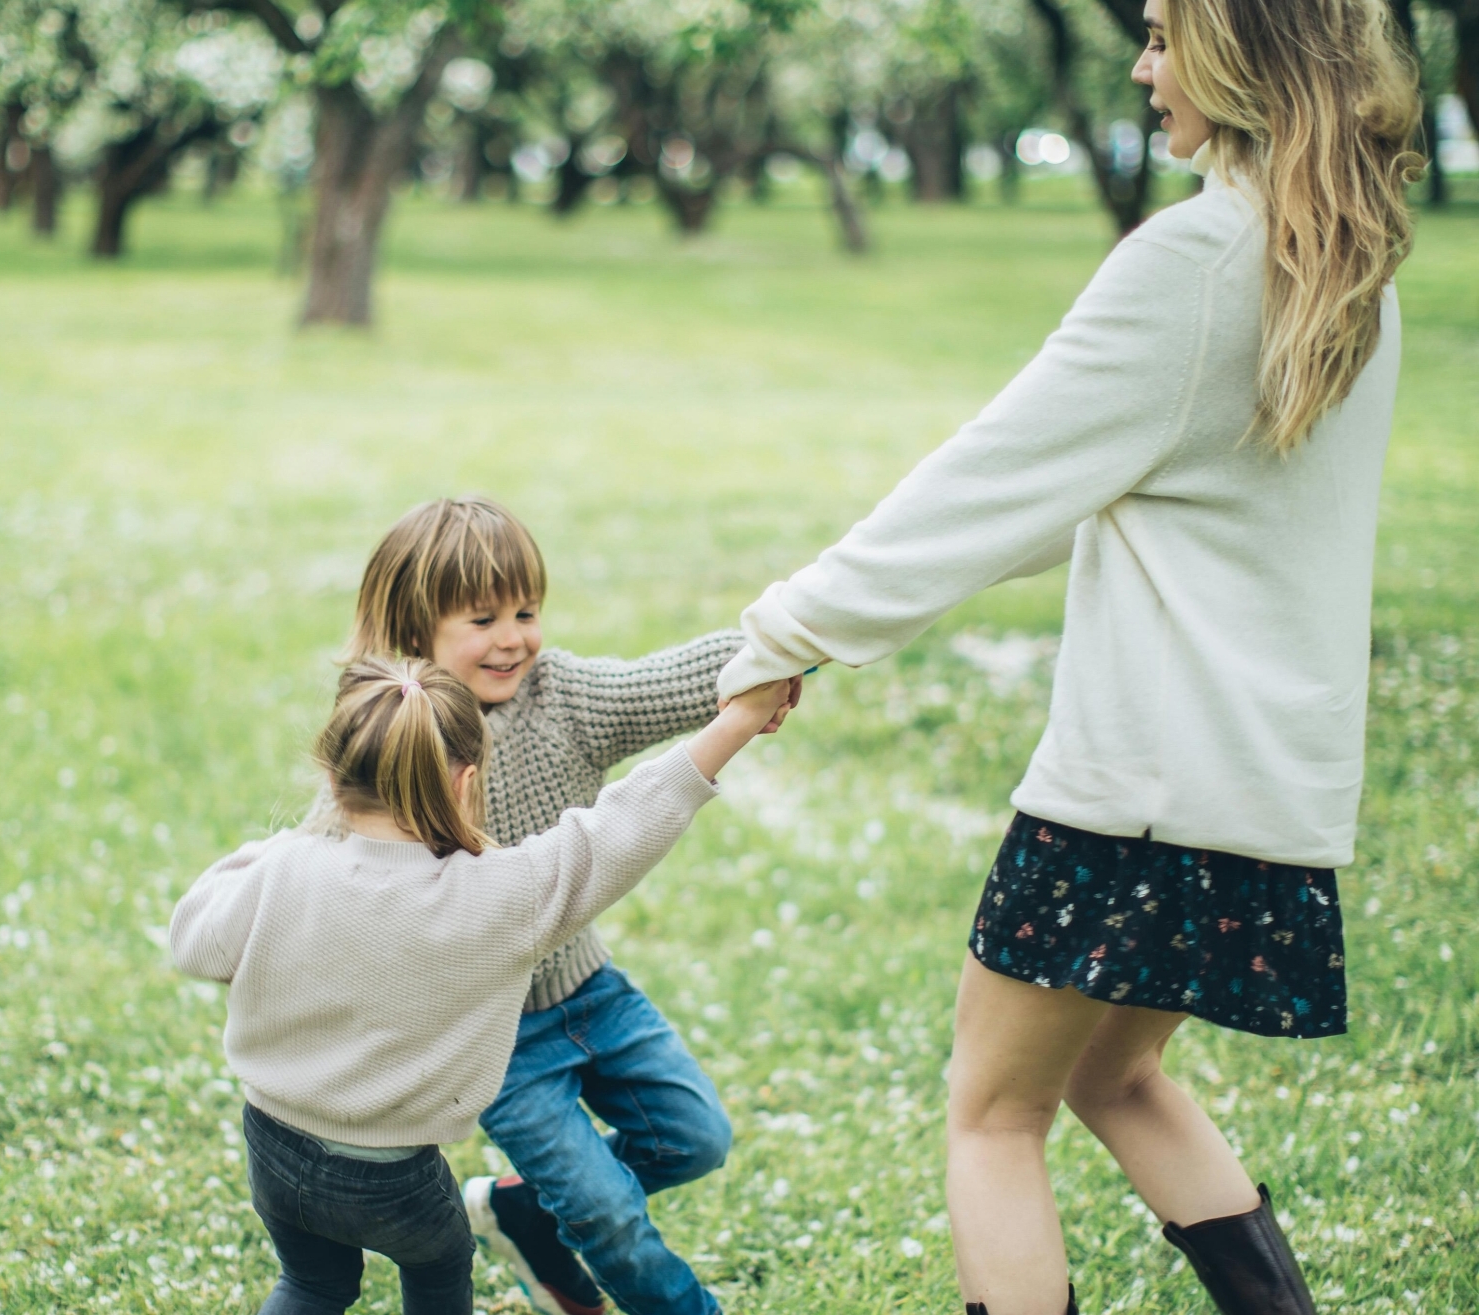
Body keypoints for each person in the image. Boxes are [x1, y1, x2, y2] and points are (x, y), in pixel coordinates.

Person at [713, 0, 1421, 1310]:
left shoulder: (1198, 261)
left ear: (1241, 48)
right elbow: (1095, 489)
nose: (1144, 68)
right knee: (1116, 1073)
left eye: (1162, 35)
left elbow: (981, 485)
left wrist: (780, 633)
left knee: (991, 1112)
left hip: (1134, 796)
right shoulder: (1344, 262)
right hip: (1266, 795)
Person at [171, 656, 792, 1315]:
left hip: (273, 1152)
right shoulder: (499, 894)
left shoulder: (283, 870)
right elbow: (618, 830)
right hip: (397, 1181)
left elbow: (193, 938)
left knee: (312, 1285)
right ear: (467, 783)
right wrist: (740, 719)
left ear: (331, 777)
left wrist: (288, 845)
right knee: (439, 1271)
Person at [322, 496, 796, 1315]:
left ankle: (519, 1211)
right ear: (414, 631)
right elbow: (342, 858)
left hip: (591, 992)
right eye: (482, 618)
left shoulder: (564, 695)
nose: (513, 637)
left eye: (526, 610)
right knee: (607, 1213)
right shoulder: (399, 731)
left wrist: (775, 652)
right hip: (496, 1035)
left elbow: (666, 680)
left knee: (695, 1137)